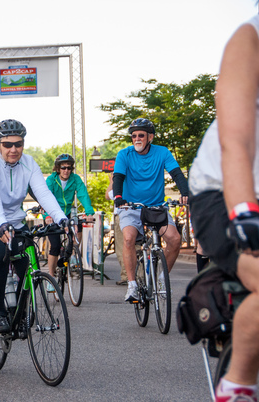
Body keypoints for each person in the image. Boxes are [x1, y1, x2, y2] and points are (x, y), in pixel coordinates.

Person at [188, 15, 259, 401]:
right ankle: (237, 385)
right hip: (225, 190)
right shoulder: (251, 39)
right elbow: (236, 142)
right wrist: (245, 211)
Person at [0, 119, 67, 333]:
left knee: (28, 269)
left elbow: (43, 193)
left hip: (14, 222)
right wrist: (1, 224)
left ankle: (19, 316)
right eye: (8, 145)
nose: (14, 149)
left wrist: (61, 218)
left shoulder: (29, 163)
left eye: (18, 144)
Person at [113, 118, 189, 303]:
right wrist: (118, 198)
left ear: (150, 137)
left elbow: (177, 173)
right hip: (130, 207)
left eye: (141, 135)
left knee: (175, 239)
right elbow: (118, 178)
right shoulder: (124, 154)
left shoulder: (162, 152)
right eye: (134, 136)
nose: (137, 139)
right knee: (129, 238)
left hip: (156, 206)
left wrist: (185, 192)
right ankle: (131, 286)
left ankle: (162, 279)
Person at [44, 153, 94, 281]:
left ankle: (71, 255)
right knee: (54, 246)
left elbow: (83, 194)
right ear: (57, 168)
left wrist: (89, 212)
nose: (66, 170)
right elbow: (45, 198)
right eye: (63, 168)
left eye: (69, 168)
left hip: (67, 213)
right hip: (53, 213)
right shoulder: (51, 180)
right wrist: (47, 215)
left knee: (79, 228)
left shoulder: (75, 179)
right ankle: (51, 276)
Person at [105, 173, 127, 285]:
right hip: (138, 213)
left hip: (121, 215)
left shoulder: (120, 185)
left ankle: (126, 275)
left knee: (122, 247)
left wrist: (112, 183)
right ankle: (140, 275)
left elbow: (107, 195)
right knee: (136, 245)